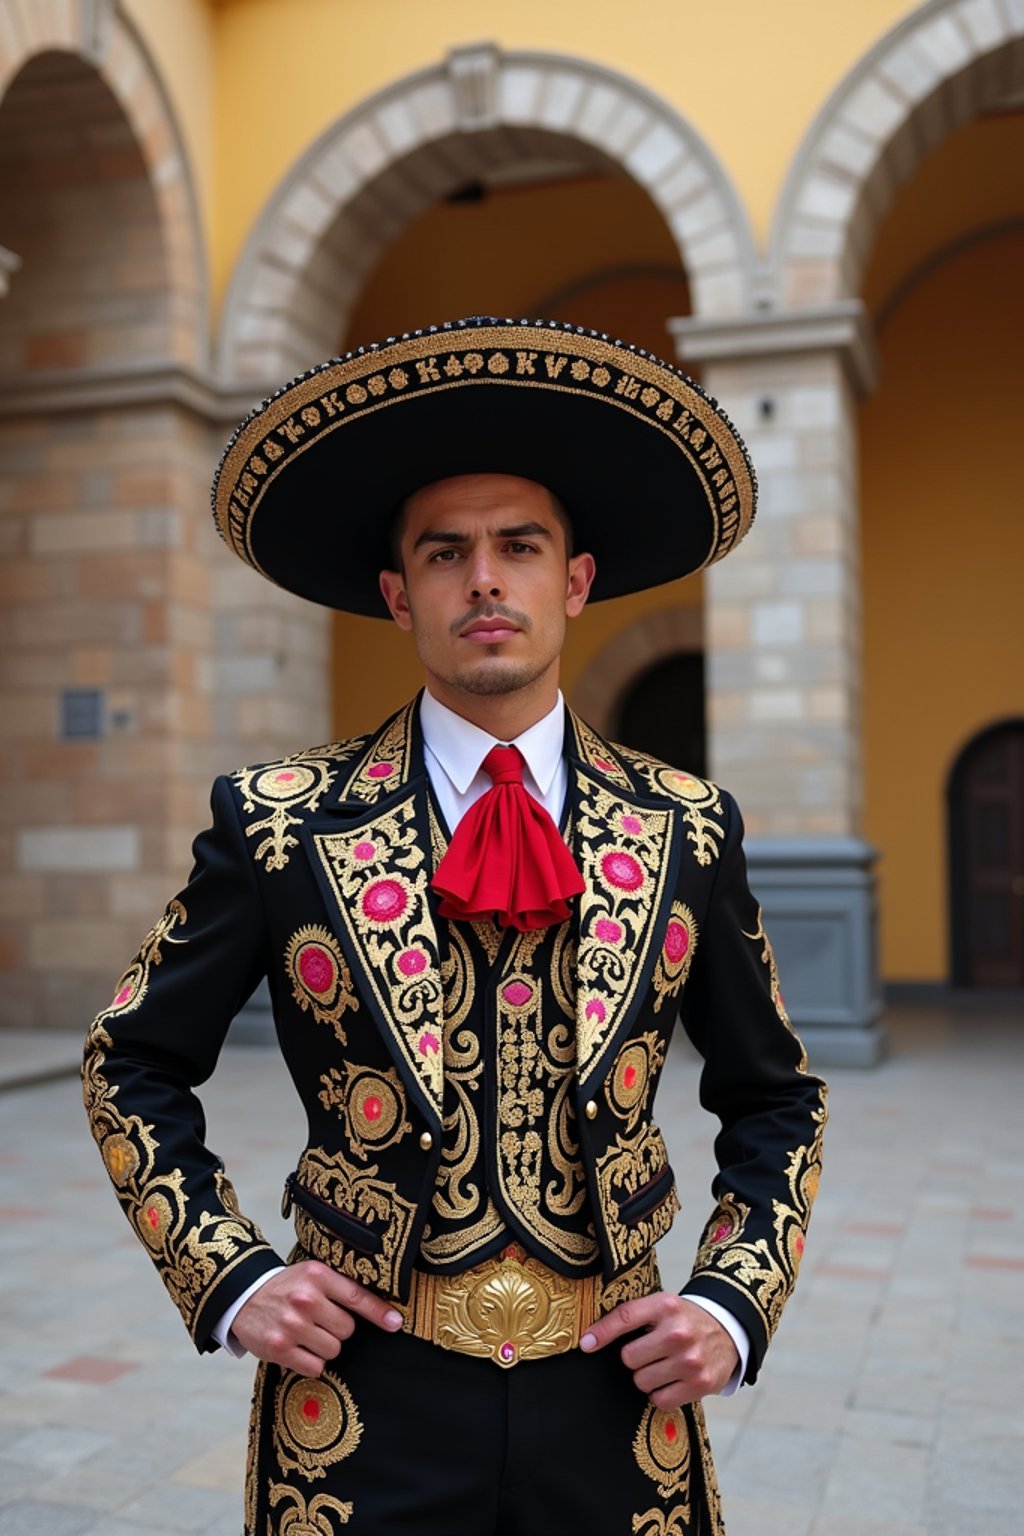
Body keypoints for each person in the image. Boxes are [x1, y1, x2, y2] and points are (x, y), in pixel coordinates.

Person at [83, 317, 826, 1536]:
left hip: (615, 1383)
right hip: (363, 1393)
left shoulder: (688, 826)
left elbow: (774, 1094)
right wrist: (230, 1276)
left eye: (520, 547)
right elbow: (132, 1061)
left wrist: (732, 1305)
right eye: (446, 553)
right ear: (398, 595)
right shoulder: (280, 823)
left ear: (573, 582)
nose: (485, 578)